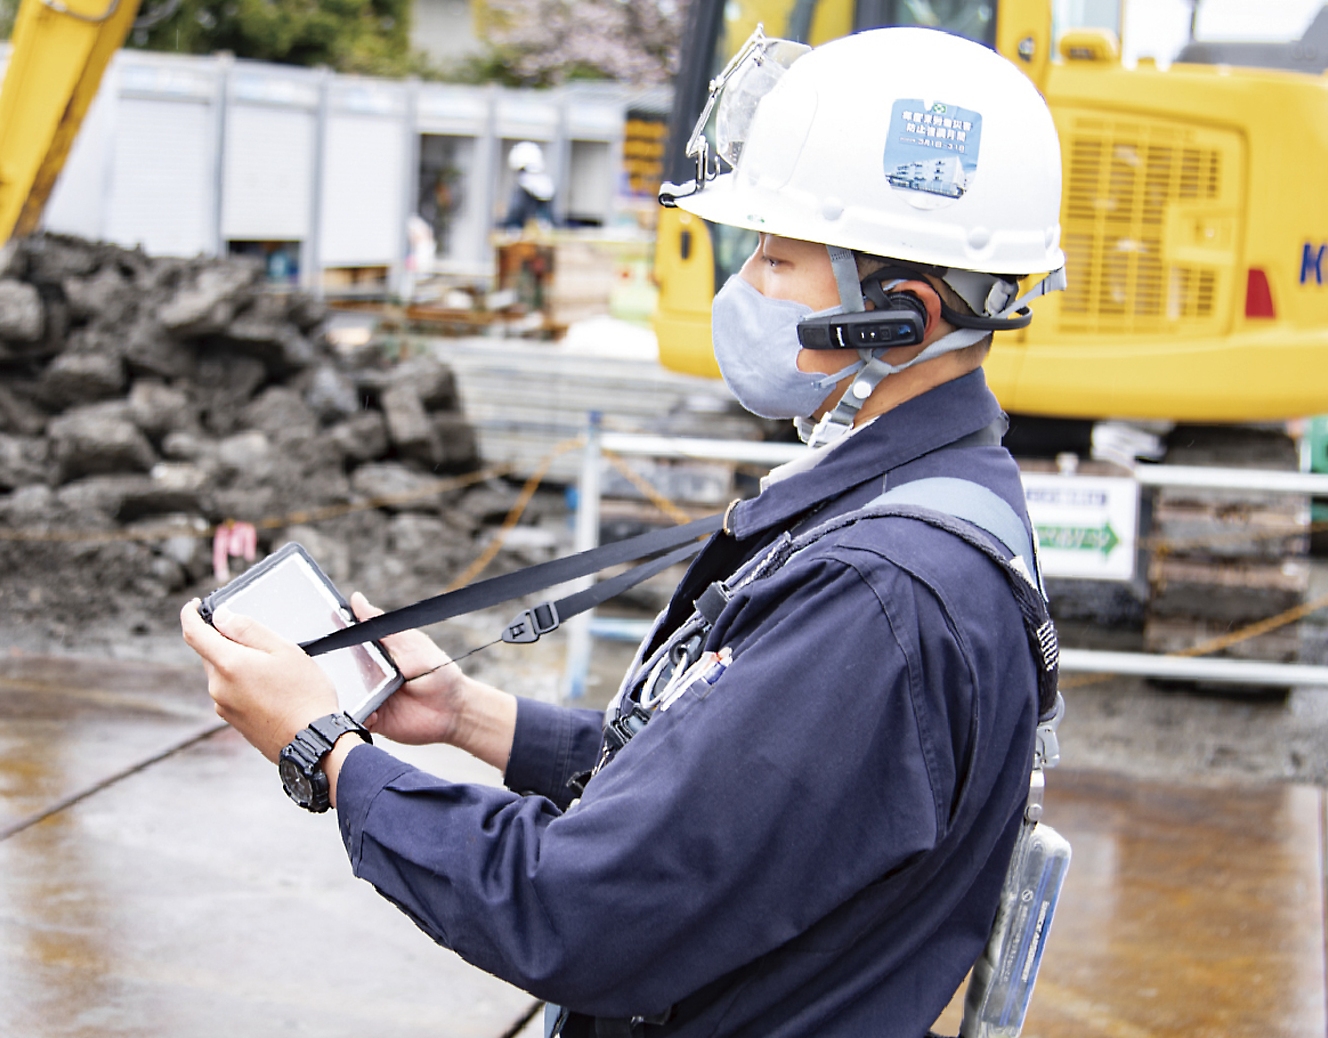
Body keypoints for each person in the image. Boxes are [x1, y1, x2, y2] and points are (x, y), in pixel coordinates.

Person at [181, 26, 1066, 1038]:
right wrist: (473, 718)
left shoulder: (879, 595)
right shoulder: (934, 498)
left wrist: (327, 754)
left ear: (896, 316)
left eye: (775, 257)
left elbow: (575, 912)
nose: (746, 288)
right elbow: (722, 799)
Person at [503, 140, 556, 231]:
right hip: (543, 231)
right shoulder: (547, 184)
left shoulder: (523, 185)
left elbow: (516, 211)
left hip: (524, 232)